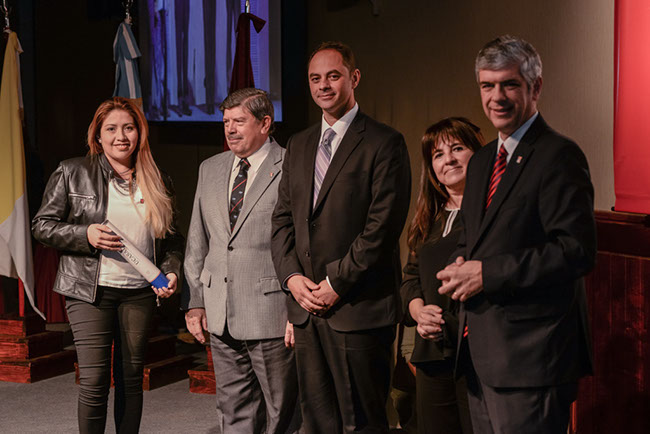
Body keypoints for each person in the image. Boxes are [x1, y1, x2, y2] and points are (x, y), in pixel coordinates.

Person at [436, 35, 596, 433]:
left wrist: (486, 274)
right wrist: (458, 266)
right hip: (480, 354)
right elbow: (471, 240)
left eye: (509, 84)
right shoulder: (482, 161)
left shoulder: (559, 155)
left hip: (532, 359)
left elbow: (575, 251)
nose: (497, 97)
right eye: (487, 86)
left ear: (535, 87)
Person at [271, 41, 412, 433]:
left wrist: (336, 283)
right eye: (315, 78)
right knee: (317, 423)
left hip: (358, 307)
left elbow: (381, 228)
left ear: (354, 77)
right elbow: (282, 220)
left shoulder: (385, 142)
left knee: (360, 423)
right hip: (307, 309)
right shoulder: (299, 144)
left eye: (333, 76)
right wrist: (292, 279)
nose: (323, 85)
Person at [32, 97, 184, 433]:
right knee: (95, 380)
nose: (121, 136)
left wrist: (171, 270)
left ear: (140, 133)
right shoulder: (72, 172)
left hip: (139, 293)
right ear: (97, 136)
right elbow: (41, 226)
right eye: (111, 129)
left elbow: (172, 239)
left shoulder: (158, 179)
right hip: (89, 291)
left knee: (131, 377)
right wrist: (84, 234)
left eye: (129, 128)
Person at [182, 88, 300, 434]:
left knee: (282, 411)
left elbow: (302, 244)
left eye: (239, 121)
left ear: (265, 123)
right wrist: (195, 301)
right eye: (226, 122)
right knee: (232, 408)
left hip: (272, 312)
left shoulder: (292, 165)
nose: (230, 129)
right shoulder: (210, 168)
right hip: (219, 311)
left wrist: (297, 311)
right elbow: (197, 240)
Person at [401, 117, 484, 434]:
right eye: (438, 154)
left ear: (478, 153)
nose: (448, 159)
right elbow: (410, 280)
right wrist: (419, 312)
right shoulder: (427, 218)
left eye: (457, 148)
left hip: (477, 352)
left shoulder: (492, 214)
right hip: (432, 351)